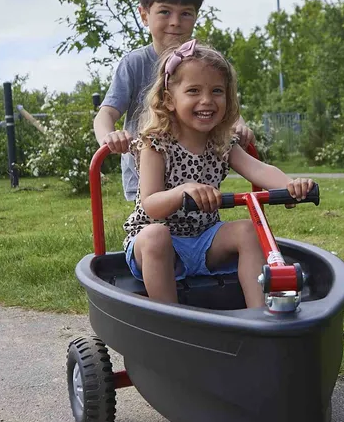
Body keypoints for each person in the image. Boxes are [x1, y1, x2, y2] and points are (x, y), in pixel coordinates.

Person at [122, 40, 312, 308]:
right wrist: (182, 191)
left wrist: (292, 186)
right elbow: (151, 205)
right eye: (193, 91)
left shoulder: (222, 143)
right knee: (156, 236)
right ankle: (171, 319)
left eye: (217, 91)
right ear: (169, 100)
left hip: (204, 239)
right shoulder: (156, 144)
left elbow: (259, 169)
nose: (207, 100)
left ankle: (260, 317)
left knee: (247, 229)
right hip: (156, 246)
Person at [93, 0, 247, 203]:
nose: (175, 21)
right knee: (156, 232)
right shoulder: (135, 63)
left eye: (185, 13)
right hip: (147, 177)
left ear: (195, 17)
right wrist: (109, 137)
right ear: (144, 15)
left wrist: (240, 124)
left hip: (195, 172)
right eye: (165, 12)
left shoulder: (202, 62)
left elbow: (221, 102)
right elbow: (105, 114)